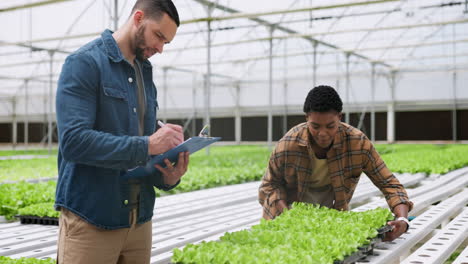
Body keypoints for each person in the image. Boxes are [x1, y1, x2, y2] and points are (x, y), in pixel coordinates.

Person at [54, 0, 189, 263]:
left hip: (140, 221)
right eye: (158, 36)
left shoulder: (144, 72)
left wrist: (168, 176)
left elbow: (143, 149)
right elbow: (73, 141)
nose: (160, 48)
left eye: (166, 43)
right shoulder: (84, 63)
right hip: (92, 219)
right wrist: (148, 144)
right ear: (138, 18)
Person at [258, 85, 413, 241]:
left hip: (330, 216)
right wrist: (288, 217)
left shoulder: (357, 143)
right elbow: (269, 186)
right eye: (315, 126)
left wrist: (402, 220)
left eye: (330, 126)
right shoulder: (288, 145)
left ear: (340, 117)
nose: (323, 134)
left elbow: (389, 184)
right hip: (286, 213)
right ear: (307, 119)